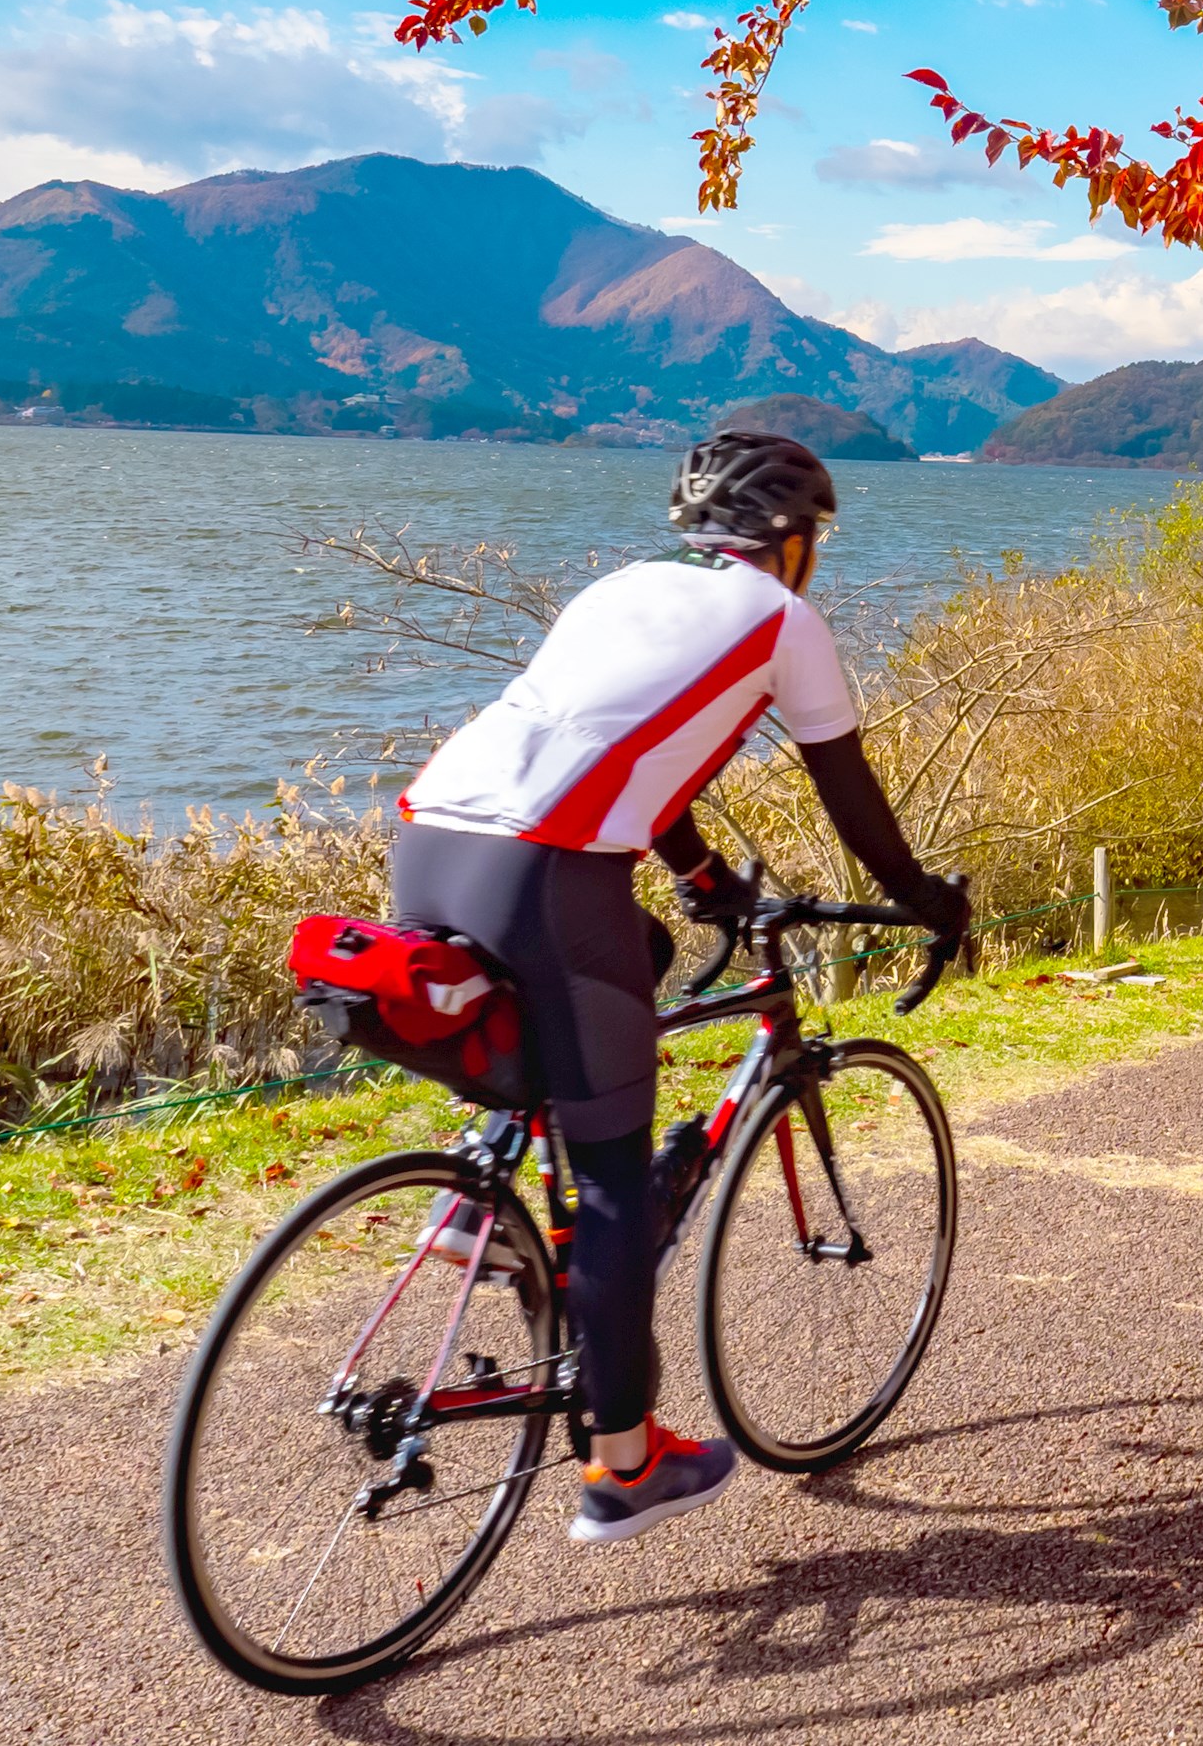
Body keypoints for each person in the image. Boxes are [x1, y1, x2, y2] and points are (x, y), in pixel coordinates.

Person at [386, 429, 968, 1545]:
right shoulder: (783, 619)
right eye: (816, 542)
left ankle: (480, 1205)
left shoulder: (621, 589)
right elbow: (852, 799)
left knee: (630, 967)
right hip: (550, 866)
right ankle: (625, 1462)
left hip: (432, 837)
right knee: (610, 1173)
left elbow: (621, 755)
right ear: (791, 542)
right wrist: (928, 898)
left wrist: (701, 878)